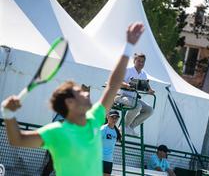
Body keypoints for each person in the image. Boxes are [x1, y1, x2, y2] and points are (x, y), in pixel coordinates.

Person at [1, 22, 145, 176]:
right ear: (70, 103)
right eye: (79, 93)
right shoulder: (56, 132)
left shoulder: (94, 119)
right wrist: (8, 115)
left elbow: (113, 86)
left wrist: (128, 47)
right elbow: (18, 140)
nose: (85, 94)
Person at [115, 53, 154, 136]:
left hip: (134, 99)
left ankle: (130, 127)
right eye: (139, 61)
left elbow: (146, 86)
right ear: (134, 61)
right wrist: (127, 85)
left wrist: (150, 90)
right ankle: (123, 127)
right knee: (137, 105)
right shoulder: (127, 70)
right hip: (120, 96)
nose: (140, 63)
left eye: (142, 62)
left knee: (150, 110)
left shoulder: (143, 74)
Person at [101, 110, 121, 176]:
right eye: (112, 117)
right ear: (108, 117)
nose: (114, 119)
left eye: (116, 118)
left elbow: (120, 139)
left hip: (109, 160)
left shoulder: (116, 131)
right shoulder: (103, 129)